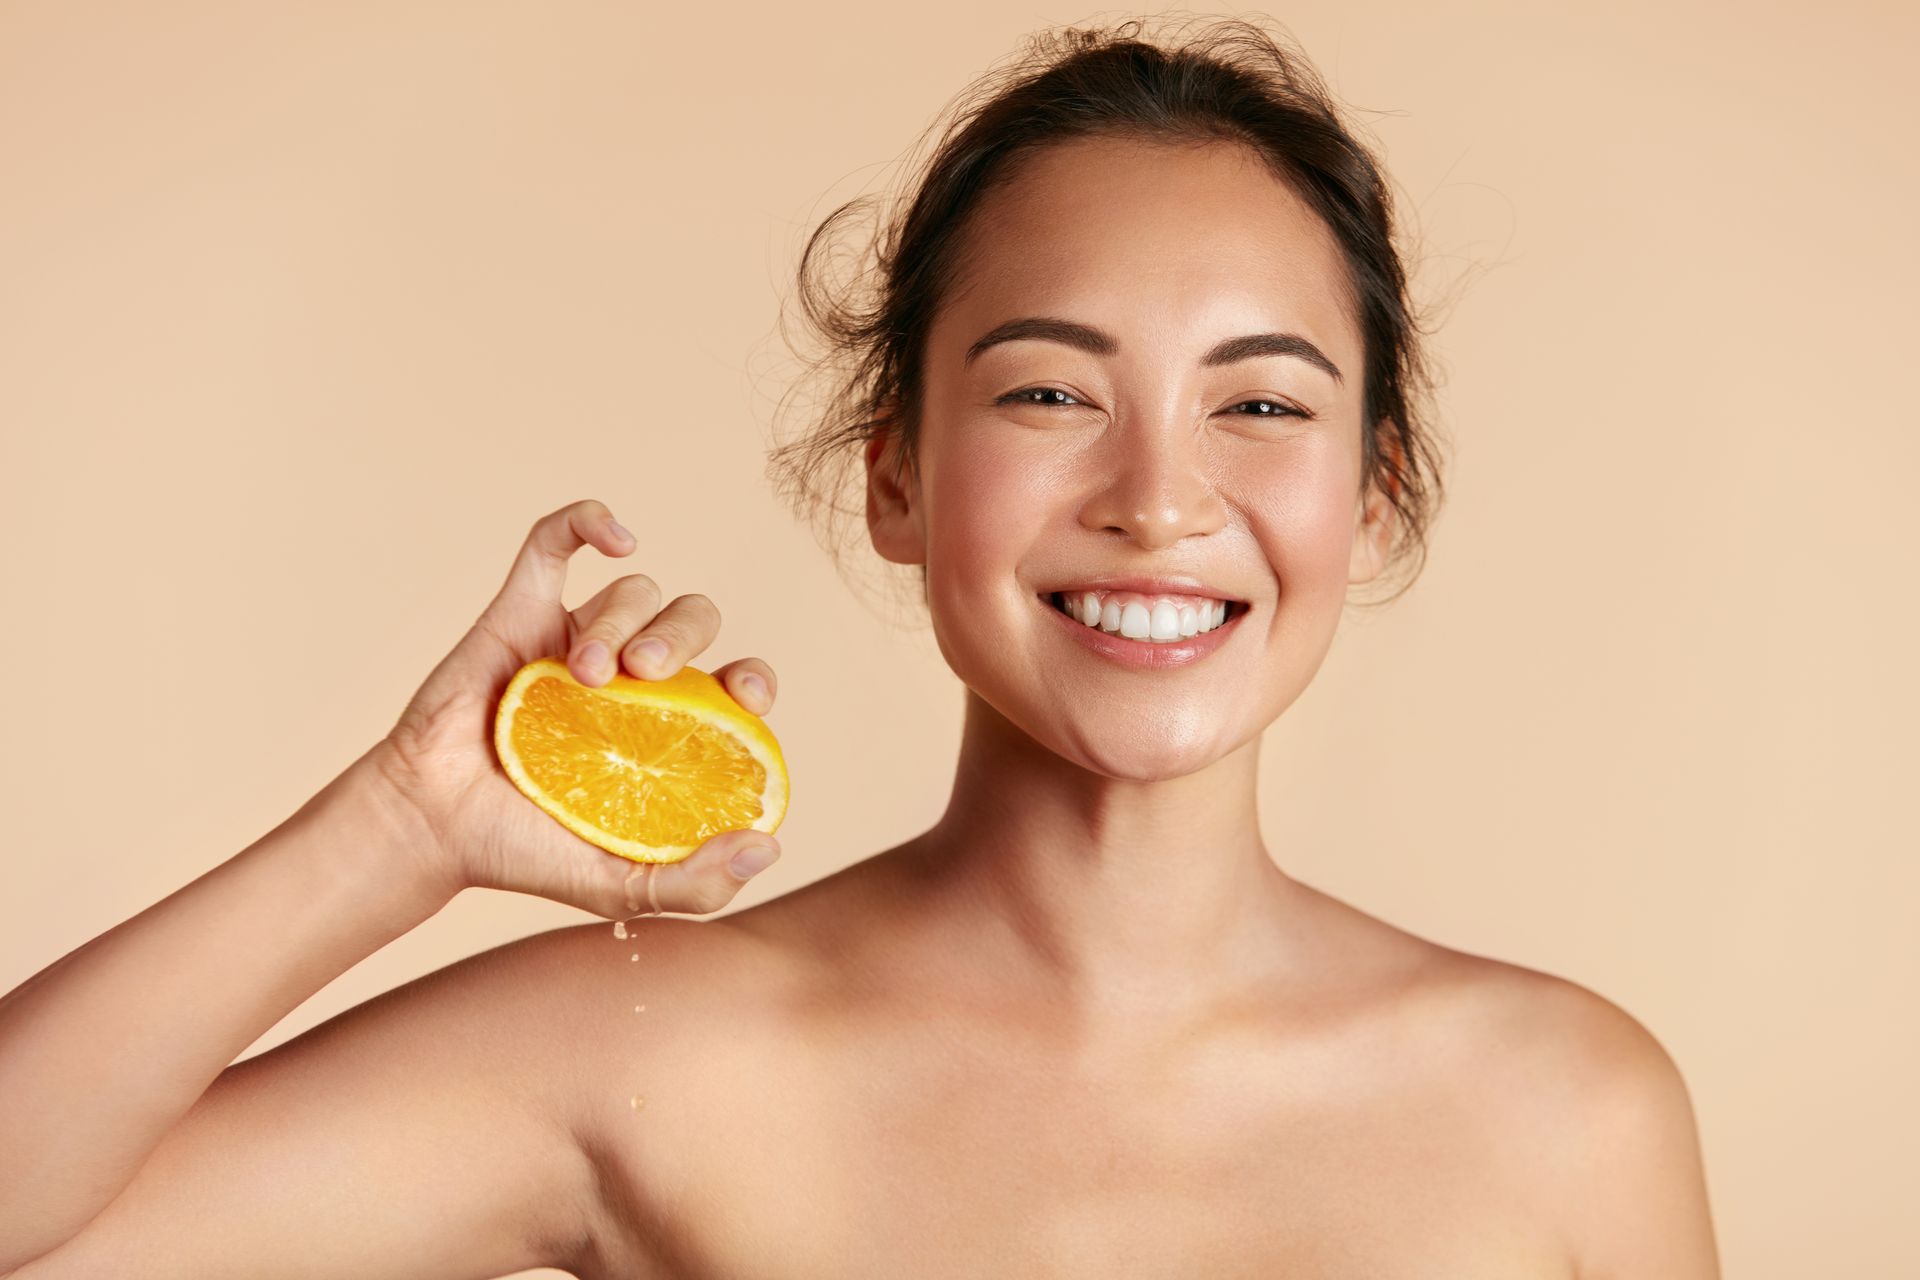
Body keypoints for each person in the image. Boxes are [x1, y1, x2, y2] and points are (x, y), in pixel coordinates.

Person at [0, 16, 1720, 1278]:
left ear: (1374, 494)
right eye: (1050, 393)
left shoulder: (1573, 1113)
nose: (1156, 500)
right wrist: (397, 824)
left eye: (1261, 405)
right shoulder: (648, 1052)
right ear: (897, 477)